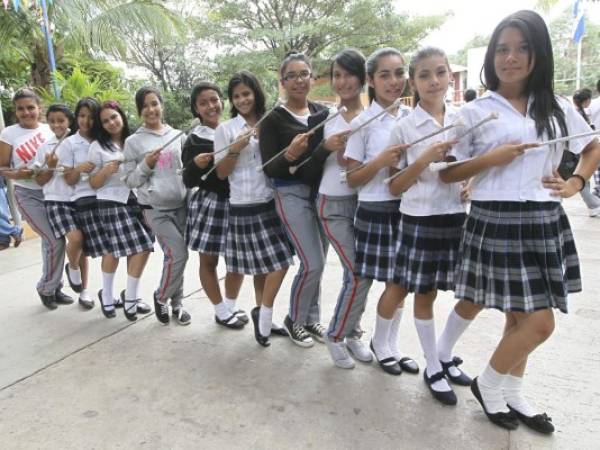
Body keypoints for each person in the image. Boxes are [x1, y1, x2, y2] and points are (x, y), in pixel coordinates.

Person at [440, 10, 600, 432]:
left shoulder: (557, 106)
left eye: (522, 48)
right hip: (496, 218)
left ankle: (512, 393)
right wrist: (490, 160)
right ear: (492, 56)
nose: (510, 58)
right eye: (502, 49)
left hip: (544, 217)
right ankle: (490, 384)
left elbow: (591, 146)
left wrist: (574, 182)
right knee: (539, 322)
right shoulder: (477, 111)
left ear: (538, 54)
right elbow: (448, 172)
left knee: (521, 318)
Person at [387, 47, 481, 404]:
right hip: (420, 218)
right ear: (413, 81)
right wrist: (425, 158)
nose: (434, 80)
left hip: (457, 217)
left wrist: (472, 182)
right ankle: (432, 365)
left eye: (440, 72)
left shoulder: (463, 119)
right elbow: (394, 185)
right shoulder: (404, 127)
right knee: (424, 293)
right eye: (424, 75)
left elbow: (471, 163)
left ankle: (444, 352)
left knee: (469, 291)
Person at [344, 48, 418, 376]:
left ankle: (388, 344)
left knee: (401, 282)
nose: (394, 81)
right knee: (388, 283)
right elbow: (352, 179)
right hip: (375, 209)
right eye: (384, 75)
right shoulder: (363, 122)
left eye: (399, 73)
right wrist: (380, 162)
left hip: (409, 209)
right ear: (371, 80)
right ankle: (377, 342)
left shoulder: (412, 118)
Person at [305, 49, 374, 368]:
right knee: (357, 272)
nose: (342, 81)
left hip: (367, 202)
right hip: (331, 203)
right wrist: (324, 147)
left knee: (364, 274)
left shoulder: (374, 116)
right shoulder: (323, 118)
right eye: (337, 75)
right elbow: (305, 165)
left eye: (348, 74)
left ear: (362, 78)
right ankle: (336, 334)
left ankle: (352, 333)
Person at [215, 71, 294, 346]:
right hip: (242, 205)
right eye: (236, 96)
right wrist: (235, 148)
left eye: (246, 94)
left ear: (256, 93)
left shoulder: (270, 122)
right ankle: (265, 316)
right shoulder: (225, 129)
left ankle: (264, 315)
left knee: (275, 263)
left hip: (269, 202)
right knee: (269, 266)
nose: (242, 100)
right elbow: (222, 174)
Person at [258, 52, 329, 347]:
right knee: (311, 262)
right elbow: (269, 167)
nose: (299, 80)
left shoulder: (323, 113)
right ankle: (294, 319)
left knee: (321, 262)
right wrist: (290, 155)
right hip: (290, 194)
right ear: (283, 81)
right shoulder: (273, 119)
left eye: (304, 74)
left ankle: (312, 317)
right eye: (291, 76)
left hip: (321, 194)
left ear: (312, 77)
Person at [181, 82, 247, 329]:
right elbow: (187, 179)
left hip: (239, 201)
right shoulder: (195, 139)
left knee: (238, 260)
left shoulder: (236, 129)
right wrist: (196, 165)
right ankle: (220, 309)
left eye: (214, 100)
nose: (211, 106)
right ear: (196, 109)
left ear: (222, 101)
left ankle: (229, 307)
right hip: (211, 204)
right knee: (209, 261)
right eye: (203, 103)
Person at [124, 86, 191, 325]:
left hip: (181, 205)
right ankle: (161, 297)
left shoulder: (178, 135)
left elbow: (187, 171)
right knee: (179, 254)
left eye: (154, 103)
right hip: (154, 209)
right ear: (139, 111)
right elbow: (129, 179)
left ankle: (178, 305)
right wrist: (146, 165)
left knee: (174, 257)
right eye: (145, 106)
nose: (151, 109)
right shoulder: (133, 142)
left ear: (161, 105)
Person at [0, 88, 72, 309]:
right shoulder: (9, 134)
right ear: (16, 111)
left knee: (49, 242)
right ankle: (46, 288)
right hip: (27, 194)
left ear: (39, 109)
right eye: (21, 109)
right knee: (54, 240)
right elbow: (3, 167)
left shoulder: (49, 129)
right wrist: (18, 173)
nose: (26, 112)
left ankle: (55, 286)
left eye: (30, 107)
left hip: (52, 192)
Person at [88, 100, 153, 321]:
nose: (111, 123)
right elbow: (93, 183)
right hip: (111, 200)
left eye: (114, 117)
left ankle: (127, 295)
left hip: (136, 199)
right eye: (105, 121)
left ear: (122, 116)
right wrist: (105, 171)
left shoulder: (134, 141)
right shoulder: (98, 147)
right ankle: (118, 296)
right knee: (135, 247)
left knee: (125, 249)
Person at [34, 104, 97, 309]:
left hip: (77, 199)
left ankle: (83, 290)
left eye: (61, 120)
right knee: (76, 239)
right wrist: (51, 167)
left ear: (70, 121)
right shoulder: (45, 147)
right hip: (56, 200)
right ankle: (72, 267)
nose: (56, 125)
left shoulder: (78, 143)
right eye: (52, 121)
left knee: (82, 246)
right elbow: (40, 181)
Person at [62, 97, 103, 308]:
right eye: (82, 116)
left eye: (91, 117)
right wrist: (79, 168)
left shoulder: (103, 139)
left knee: (111, 249)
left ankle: (109, 291)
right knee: (83, 246)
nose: (86, 121)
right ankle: (84, 289)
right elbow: (68, 179)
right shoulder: (69, 143)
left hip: (105, 197)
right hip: (82, 198)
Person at [570, 88, 600, 216]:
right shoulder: (575, 113)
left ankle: (594, 203)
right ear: (586, 100)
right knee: (582, 179)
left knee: (584, 180)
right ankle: (594, 204)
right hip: (578, 151)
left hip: (579, 150)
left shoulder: (579, 112)